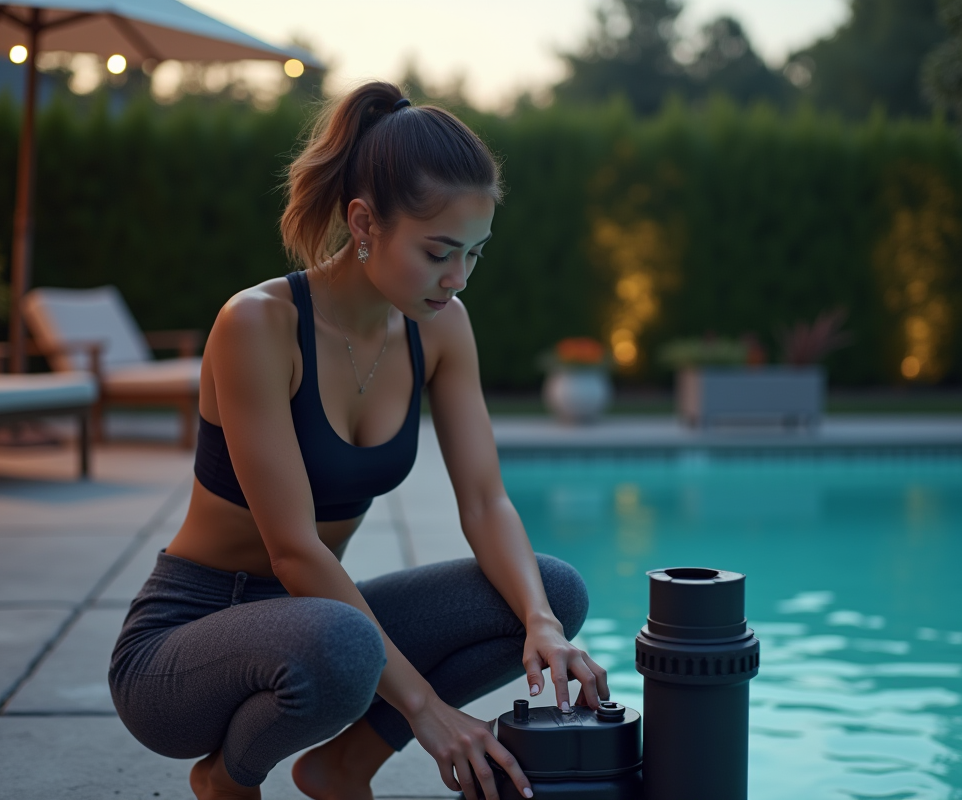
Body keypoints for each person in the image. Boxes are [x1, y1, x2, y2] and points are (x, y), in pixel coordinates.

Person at [108, 81, 608, 800]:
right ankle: (227, 779)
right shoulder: (258, 326)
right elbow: (294, 550)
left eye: (474, 253)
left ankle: (344, 765)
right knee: (346, 642)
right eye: (439, 251)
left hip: (315, 624)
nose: (457, 278)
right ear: (365, 221)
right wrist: (428, 712)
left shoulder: (441, 327)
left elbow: (487, 501)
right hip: (184, 644)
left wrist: (541, 624)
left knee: (554, 588)